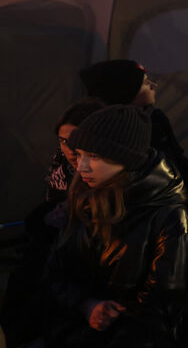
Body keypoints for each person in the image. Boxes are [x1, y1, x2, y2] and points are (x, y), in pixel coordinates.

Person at [44, 105, 188, 348]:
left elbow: (161, 306)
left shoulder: (169, 216)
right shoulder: (84, 201)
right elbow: (55, 273)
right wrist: (86, 305)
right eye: (80, 154)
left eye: (94, 157)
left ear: (125, 159)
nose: (81, 167)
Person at [0, 99, 104, 347]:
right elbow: (44, 215)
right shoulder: (64, 170)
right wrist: (49, 220)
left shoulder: (98, 172)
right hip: (50, 259)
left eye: (72, 141)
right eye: (62, 141)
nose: (67, 148)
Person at [79, 60, 188, 181]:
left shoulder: (156, 119)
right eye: (145, 83)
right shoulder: (107, 131)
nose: (153, 85)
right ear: (125, 92)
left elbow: (178, 156)